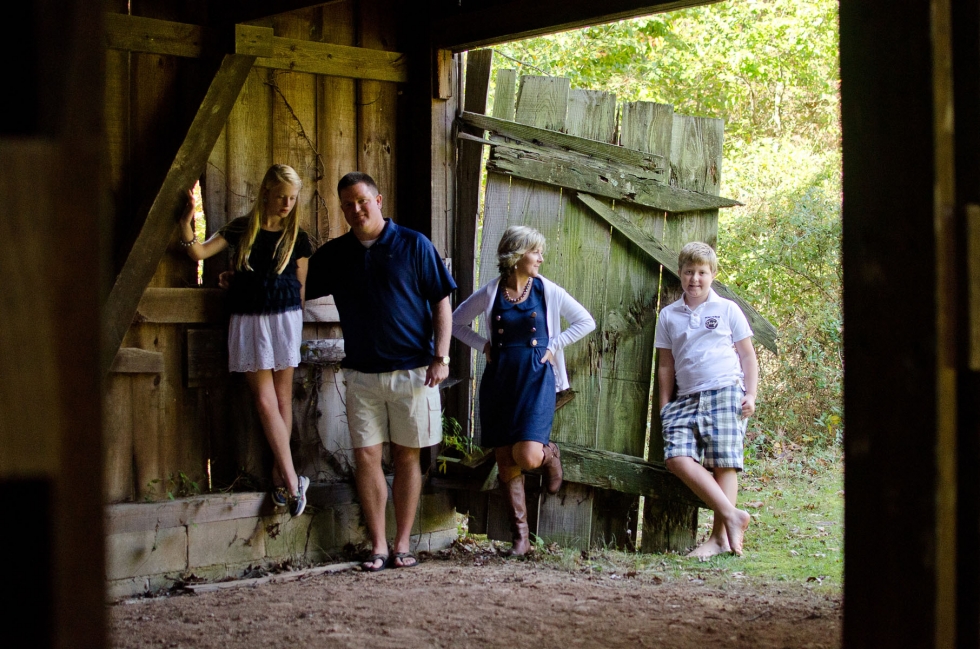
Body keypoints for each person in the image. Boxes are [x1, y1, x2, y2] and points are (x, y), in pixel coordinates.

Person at [304, 172, 456, 571]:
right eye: (347, 205)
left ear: (379, 199)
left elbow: (442, 300)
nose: (355, 210)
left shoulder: (413, 244)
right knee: (367, 456)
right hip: (361, 374)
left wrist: (441, 357)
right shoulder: (336, 255)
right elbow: (294, 284)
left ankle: (403, 544)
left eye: (361, 201)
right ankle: (378, 545)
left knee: (408, 457)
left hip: (414, 372)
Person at [451, 225, 595, 556]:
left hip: (535, 378)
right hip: (500, 380)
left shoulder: (546, 290)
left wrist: (554, 344)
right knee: (505, 457)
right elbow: (457, 322)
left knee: (528, 455)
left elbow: (585, 321)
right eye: (535, 252)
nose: (541, 258)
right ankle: (521, 538)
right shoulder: (490, 292)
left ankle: (551, 454)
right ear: (516, 256)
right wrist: (483, 344)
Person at [178, 164, 312, 517]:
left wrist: (247, 284)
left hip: (284, 319)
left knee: (282, 400)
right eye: (282, 196)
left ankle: (282, 480)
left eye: (293, 198)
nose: (287, 203)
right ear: (266, 190)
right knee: (265, 403)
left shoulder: (296, 235)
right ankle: (294, 479)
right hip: (249, 320)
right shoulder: (241, 228)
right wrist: (186, 223)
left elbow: (300, 289)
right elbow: (199, 253)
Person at [655, 241, 759, 557]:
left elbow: (748, 357)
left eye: (702, 272)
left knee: (723, 462)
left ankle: (719, 539)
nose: (695, 279)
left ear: (712, 274)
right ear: (680, 274)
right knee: (676, 458)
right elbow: (665, 364)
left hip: (726, 392)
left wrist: (751, 394)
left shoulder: (727, 309)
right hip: (686, 398)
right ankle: (733, 515)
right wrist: (664, 405)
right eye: (689, 272)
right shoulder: (669, 315)